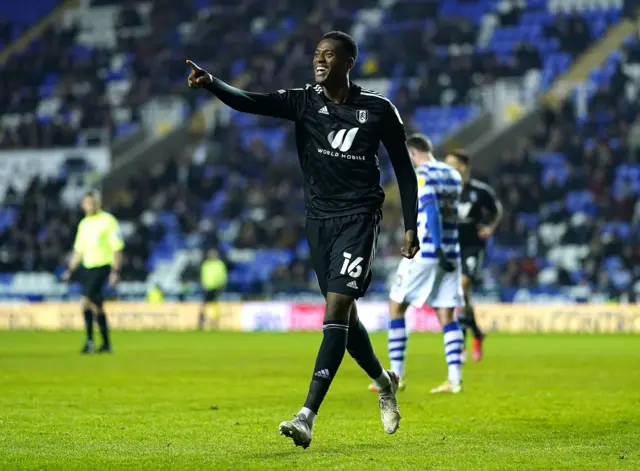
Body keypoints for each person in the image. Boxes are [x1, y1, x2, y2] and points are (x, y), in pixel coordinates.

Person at [188, 30, 419, 449]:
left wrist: (410, 226)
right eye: (317, 54)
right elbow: (251, 101)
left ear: (349, 62)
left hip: (359, 218)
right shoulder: (304, 100)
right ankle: (385, 382)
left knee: (336, 309)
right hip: (318, 221)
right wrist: (213, 84)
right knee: (345, 321)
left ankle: (307, 415)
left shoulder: (379, 110)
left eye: (329, 55)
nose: (320, 60)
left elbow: (403, 169)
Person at [368, 134, 464, 394]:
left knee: (397, 306)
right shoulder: (453, 175)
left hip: (428, 251)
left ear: (412, 153)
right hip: (453, 252)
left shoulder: (421, 175)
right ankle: (454, 380)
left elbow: (431, 211)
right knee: (447, 313)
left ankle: (395, 376)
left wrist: (436, 245)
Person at [444, 150, 503, 362]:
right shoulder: (444, 190)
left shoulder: (479, 191)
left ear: (462, 167)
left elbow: (497, 209)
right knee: (462, 294)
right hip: (450, 247)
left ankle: (460, 334)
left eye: (450, 164)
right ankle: (476, 333)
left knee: (462, 286)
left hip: (472, 247)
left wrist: (490, 227)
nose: (446, 167)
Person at [62, 191, 124, 354]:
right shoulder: (84, 224)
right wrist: (69, 270)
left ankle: (90, 342)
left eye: (92, 202)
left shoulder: (108, 221)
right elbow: (79, 250)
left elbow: (116, 247)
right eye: (86, 203)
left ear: (98, 203)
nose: (89, 206)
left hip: (102, 267)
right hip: (87, 268)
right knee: (96, 306)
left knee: (85, 301)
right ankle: (106, 344)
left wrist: (115, 271)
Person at [199, 248, 227, 330]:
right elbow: (203, 275)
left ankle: (215, 322)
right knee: (204, 305)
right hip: (207, 287)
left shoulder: (219, 264)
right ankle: (202, 321)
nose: (212, 255)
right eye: (211, 254)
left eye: (214, 254)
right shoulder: (206, 264)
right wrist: (203, 284)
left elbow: (222, 275)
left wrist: (221, 284)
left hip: (216, 287)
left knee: (215, 305)